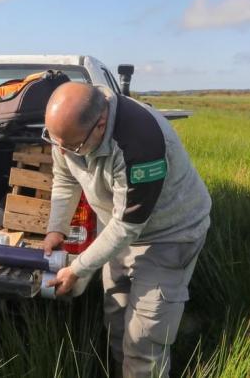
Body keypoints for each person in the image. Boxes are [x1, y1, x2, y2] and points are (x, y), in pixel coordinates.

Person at [40, 82, 210, 378]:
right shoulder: (67, 133)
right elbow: (65, 178)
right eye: (56, 142)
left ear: (100, 124)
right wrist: (57, 228)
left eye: (73, 146)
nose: (63, 151)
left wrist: (78, 268)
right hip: (119, 229)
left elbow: (127, 225)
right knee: (117, 321)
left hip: (169, 235)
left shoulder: (140, 144)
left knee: (144, 339)